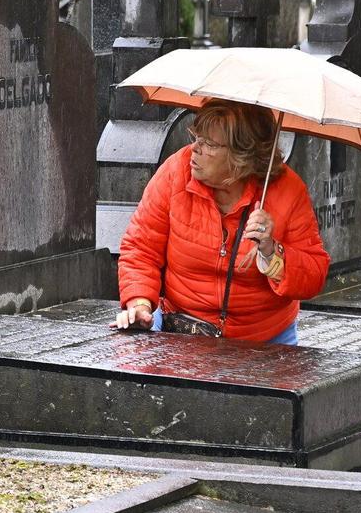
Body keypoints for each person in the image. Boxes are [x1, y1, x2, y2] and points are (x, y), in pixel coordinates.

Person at [111, 100, 329, 344]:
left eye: (209, 144)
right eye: (196, 137)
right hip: (181, 326)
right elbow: (141, 248)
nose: (195, 148)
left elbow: (313, 276)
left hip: (262, 339)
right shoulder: (176, 172)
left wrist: (270, 250)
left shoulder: (286, 191)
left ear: (241, 156)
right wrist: (140, 303)